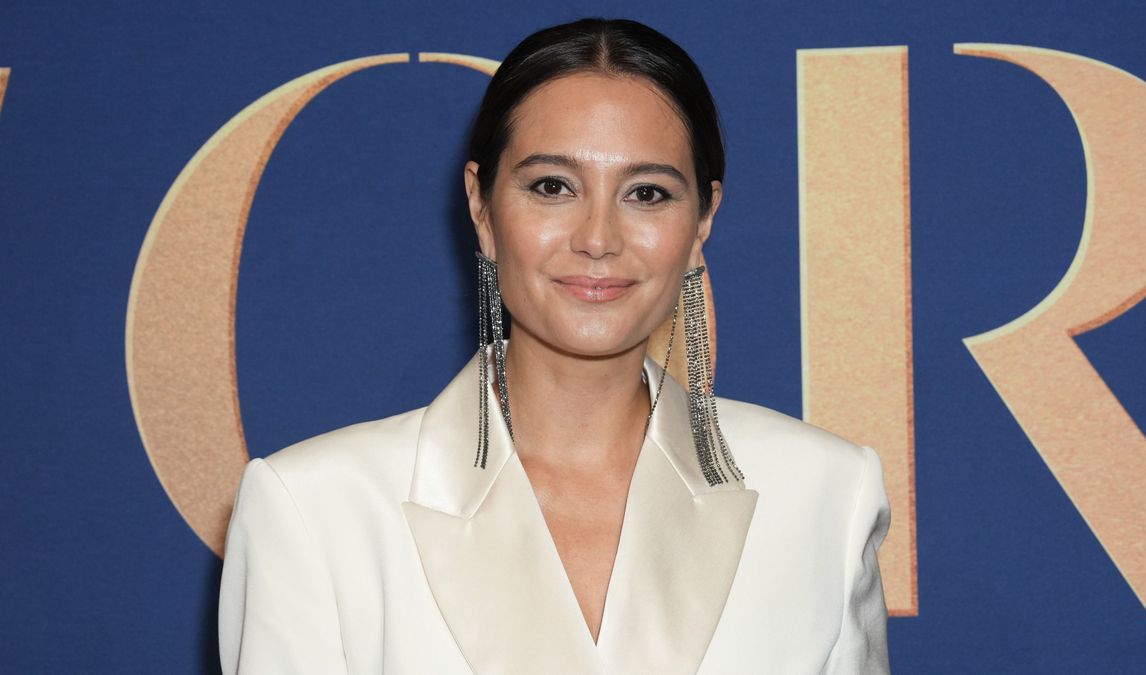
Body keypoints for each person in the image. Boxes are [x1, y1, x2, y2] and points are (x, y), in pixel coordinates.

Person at [218, 17, 891, 674]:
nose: (597, 237)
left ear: (703, 218)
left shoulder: (824, 498)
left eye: (647, 192)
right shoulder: (316, 511)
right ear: (482, 208)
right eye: (552, 186)